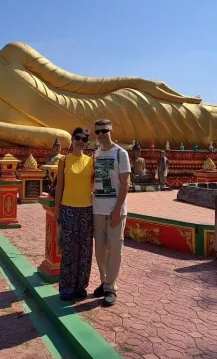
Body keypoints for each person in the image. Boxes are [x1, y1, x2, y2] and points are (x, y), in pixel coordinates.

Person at [92, 119, 131, 306]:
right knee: (100, 250)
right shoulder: (96, 154)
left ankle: (111, 288)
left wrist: (117, 210)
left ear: (111, 131)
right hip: (98, 209)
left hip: (115, 210)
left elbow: (126, 184)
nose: (100, 134)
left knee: (115, 250)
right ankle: (104, 281)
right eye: (97, 132)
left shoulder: (120, 153)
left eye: (104, 131)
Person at [54, 127, 94, 301]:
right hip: (68, 209)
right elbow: (59, 187)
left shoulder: (92, 161)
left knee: (84, 251)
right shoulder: (64, 160)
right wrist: (57, 212)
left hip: (87, 210)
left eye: (84, 139)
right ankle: (67, 287)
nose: (80, 141)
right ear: (71, 140)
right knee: (70, 250)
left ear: (87, 142)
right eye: (77, 138)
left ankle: (80, 286)